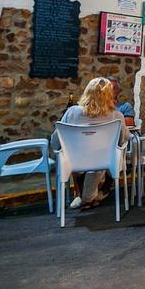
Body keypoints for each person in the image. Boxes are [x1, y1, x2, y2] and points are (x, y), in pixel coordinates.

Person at [53, 78, 130, 211]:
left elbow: (56, 140)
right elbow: (123, 139)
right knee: (107, 153)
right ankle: (90, 197)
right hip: (104, 162)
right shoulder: (116, 116)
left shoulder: (72, 112)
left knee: (87, 157)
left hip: (76, 162)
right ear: (109, 95)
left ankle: (87, 198)